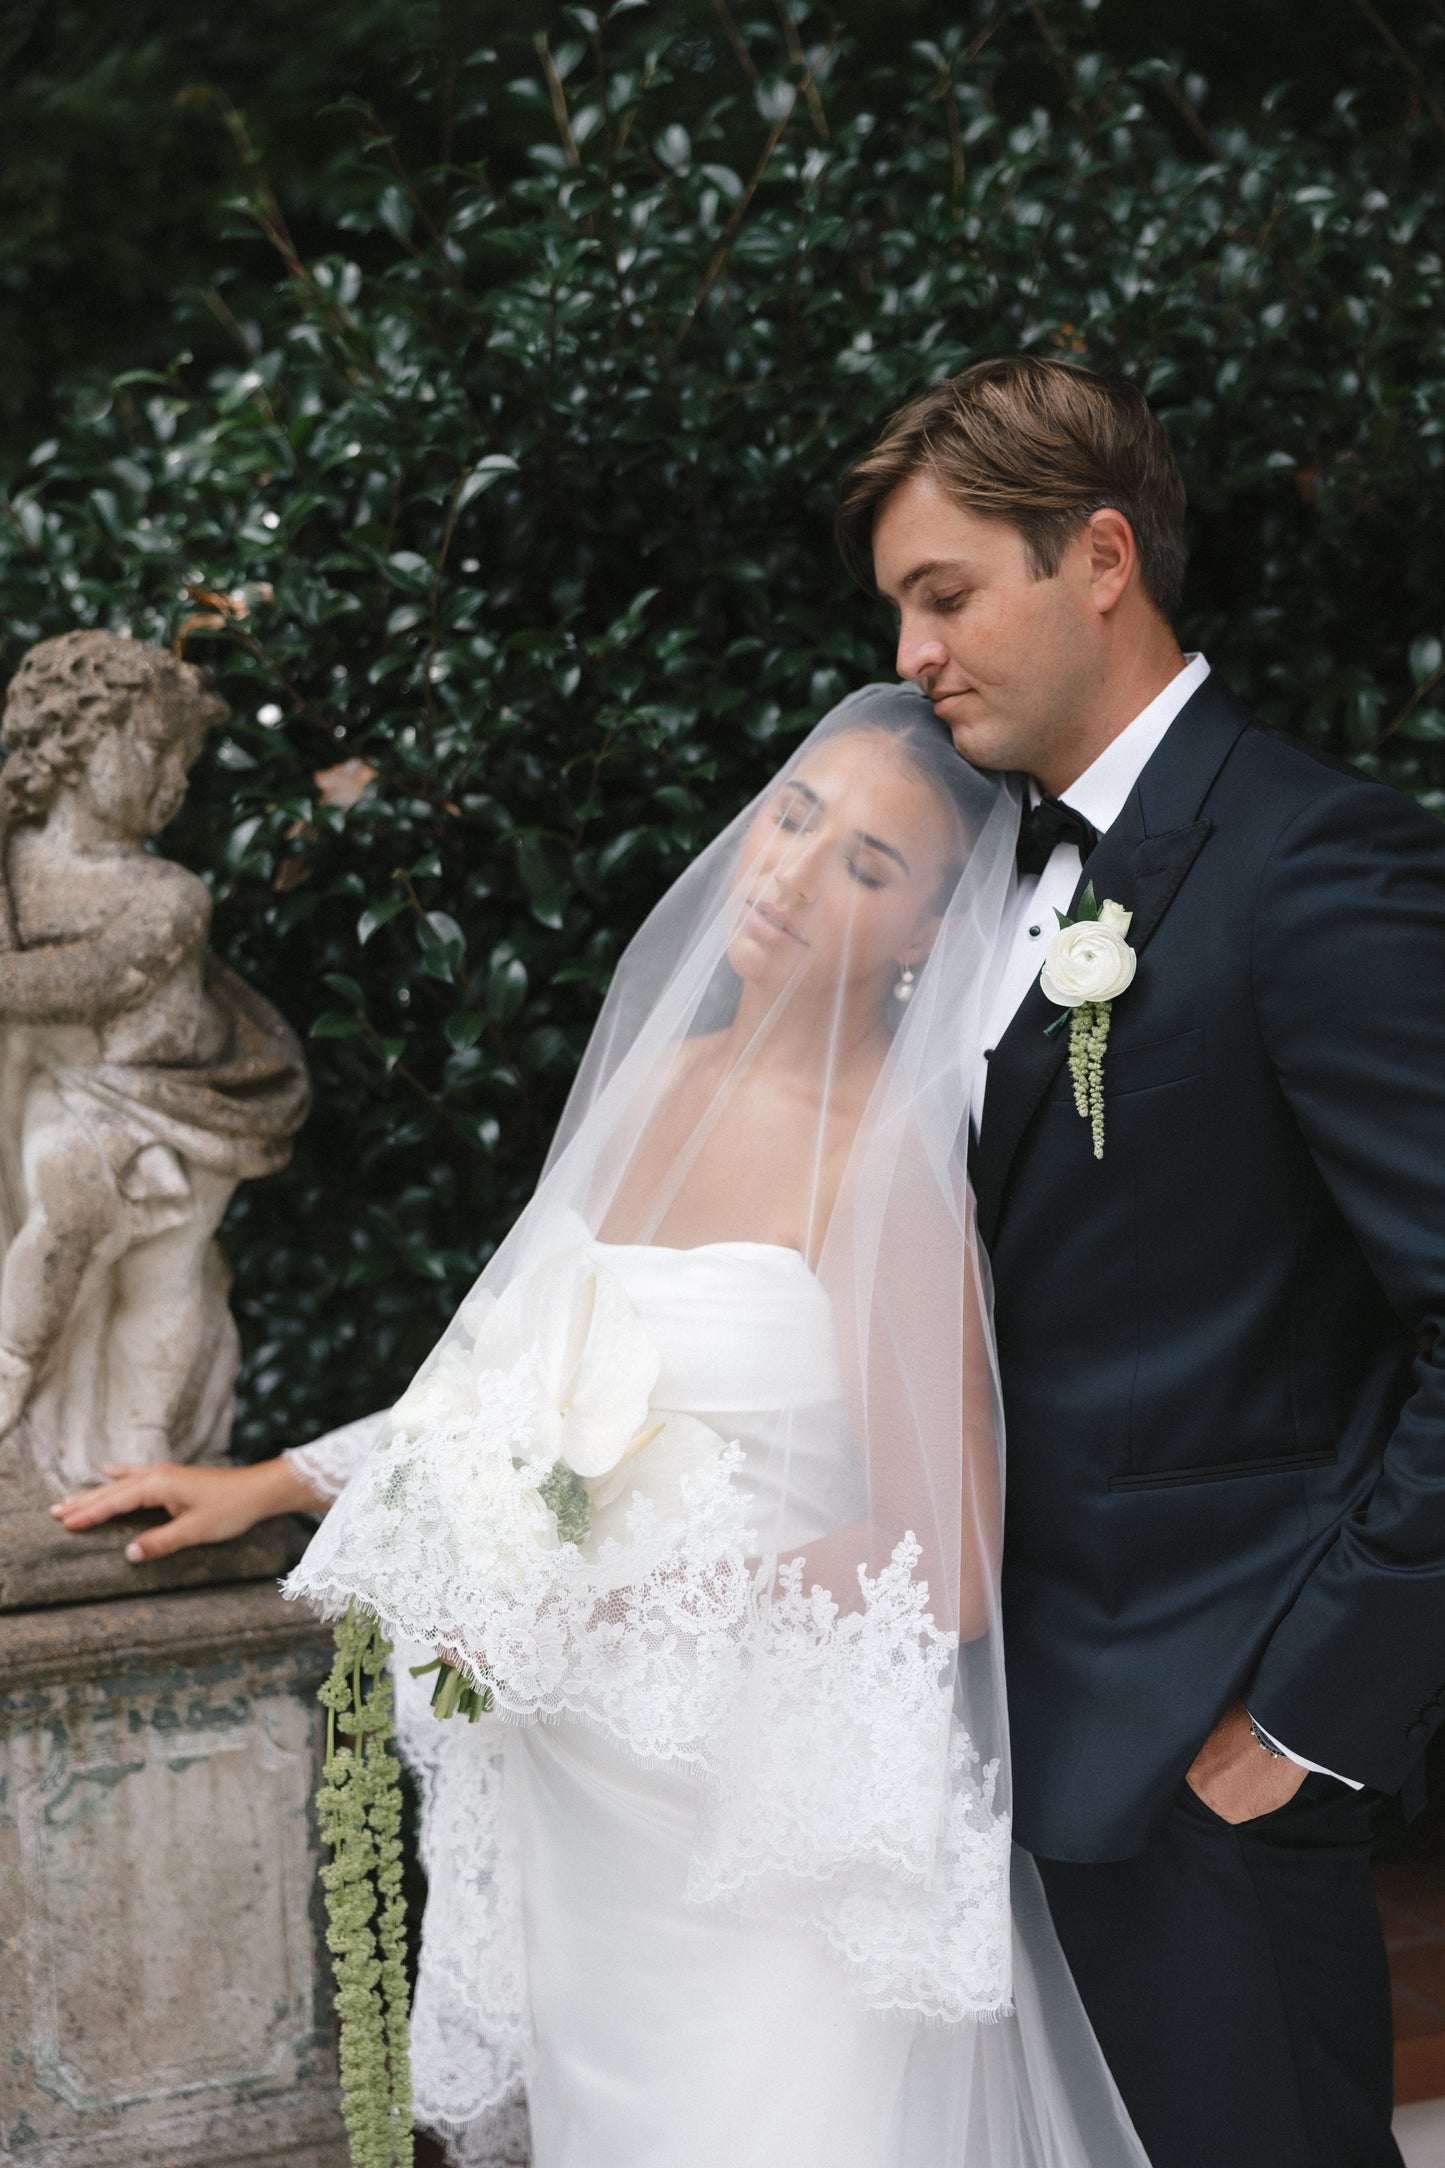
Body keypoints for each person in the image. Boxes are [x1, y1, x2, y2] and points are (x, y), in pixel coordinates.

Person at [54, 692, 1148, 2168]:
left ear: (922, 942)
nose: (789, 868)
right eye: (795, 814)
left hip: (751, 1825)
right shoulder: (664, 1086)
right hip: (585, 1813)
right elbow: (516, 1381)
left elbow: (939, 1557)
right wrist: (274, 1479)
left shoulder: (882, 1161)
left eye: (867, 868)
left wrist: (634, 1611)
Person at [833, 352, 1445, 2168]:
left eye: (946, 595)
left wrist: (1306, 1716)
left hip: (1206, 1763)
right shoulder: (974, 882)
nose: (912, 651)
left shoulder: (1310, 865)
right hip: (992, 1762)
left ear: (1096, 557)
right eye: (897, 610)